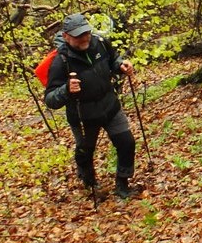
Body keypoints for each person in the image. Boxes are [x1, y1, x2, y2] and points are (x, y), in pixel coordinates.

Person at [44, 13, 141, 199]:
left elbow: (113, 60)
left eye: (86, 33)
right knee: (85, 152)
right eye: (78, 35)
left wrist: (121, 65)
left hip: (110, 106)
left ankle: (122, 184)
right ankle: (90, 183)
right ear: (66, 36)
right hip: (83, 116)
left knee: (126, 142)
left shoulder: (100, 43)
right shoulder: (60, 62)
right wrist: (66, 89)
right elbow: (50, 99)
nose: (84, 38)